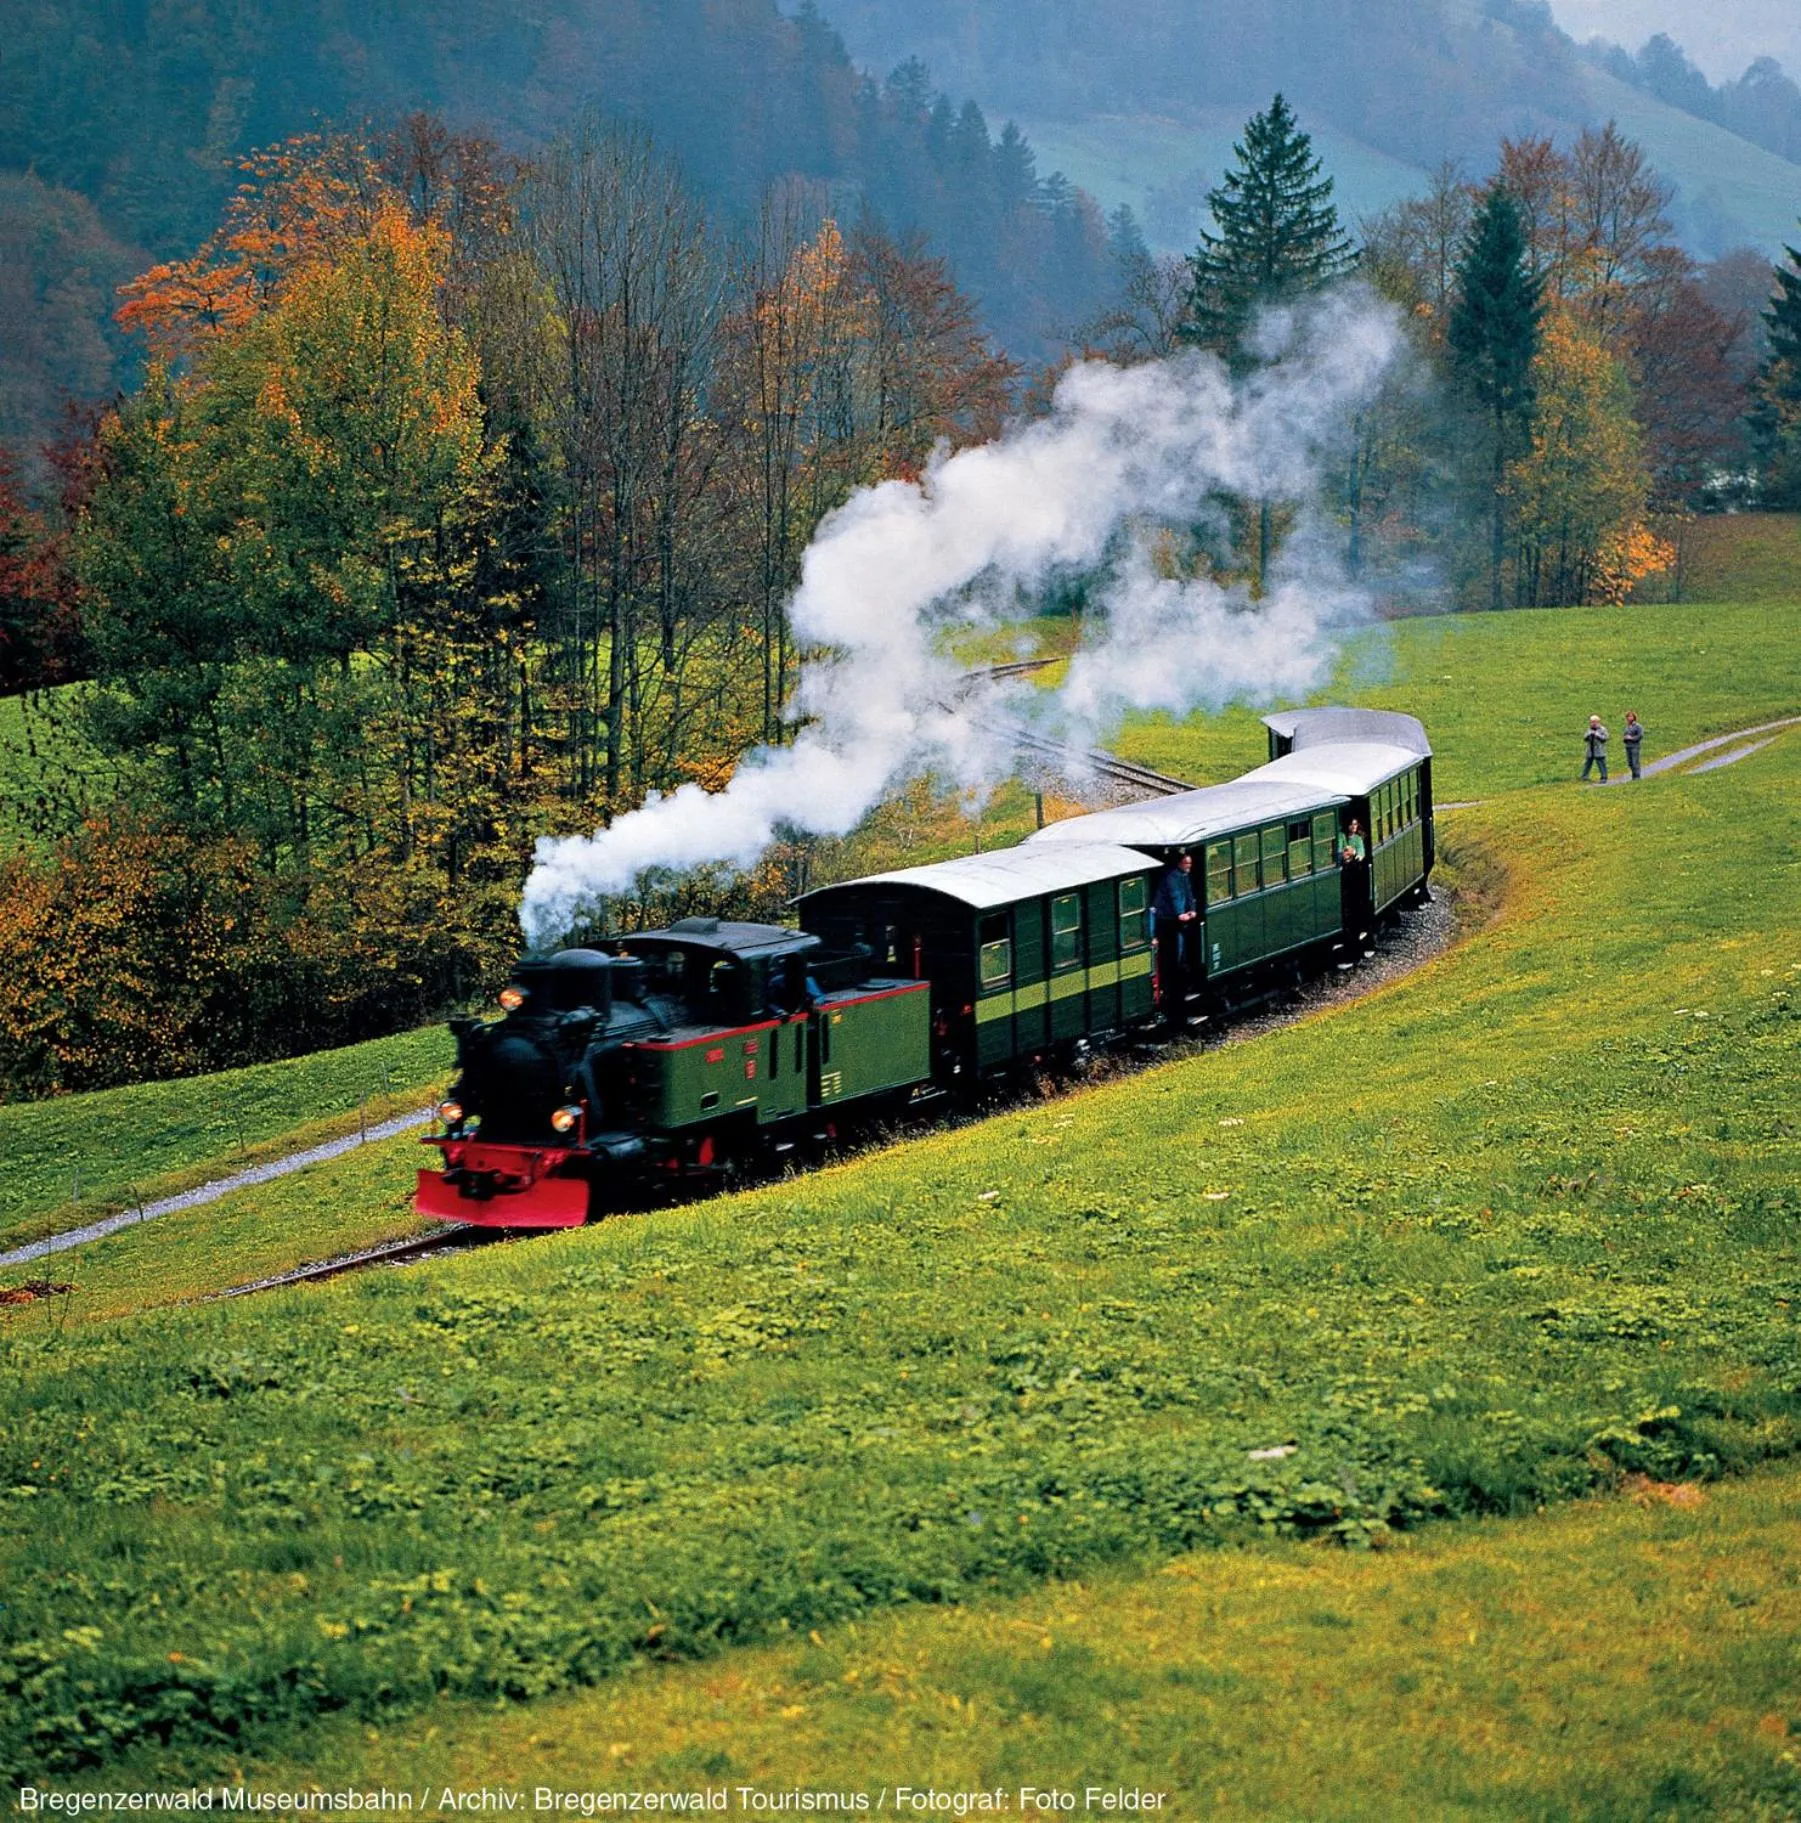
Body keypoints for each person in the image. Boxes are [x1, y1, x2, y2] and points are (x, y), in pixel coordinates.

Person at [1152, 852, 1199, 1019]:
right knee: (1174, 953)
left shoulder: (1183, 876)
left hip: (1175, 919)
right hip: (1168, 919)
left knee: (1181, 949)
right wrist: (1180, 913)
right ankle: (1174, 984)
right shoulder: (1173, 877)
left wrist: (1192, 909)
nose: (1189, 867)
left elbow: (1188, 894)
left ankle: (1181, 980)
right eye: (1187, 864)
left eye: (1190, 864)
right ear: (1180, 863)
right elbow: (1176, 895)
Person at [1338, 817, 1371, 953]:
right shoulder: (1341, 836)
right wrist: (1346, 854)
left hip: (1355, 873)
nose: (1353, 827)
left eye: (1355, 824)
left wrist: (1354, 853)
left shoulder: (1357, 839)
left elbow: (1360, 855)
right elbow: (1341, 852)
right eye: (1351, 824)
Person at [1581, 714, 1609, 782]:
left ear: (1598, 722)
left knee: (1601, 764)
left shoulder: (1602, 729)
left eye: (1594, 722)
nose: (1593, 723)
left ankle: (1604, 777)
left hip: (1599, 750)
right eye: (1592, 722)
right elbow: (1585, 738)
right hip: (1590, 750)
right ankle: (1584, 776)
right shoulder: (1589, 729)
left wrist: (1597, 735)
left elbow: (1605, 738)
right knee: (1587, 764)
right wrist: (1589, 735)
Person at [1623, 710, 1645, 780]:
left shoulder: (1638, 726)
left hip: (1635, 746)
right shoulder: (1627, 727)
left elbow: (1640, 735)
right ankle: (1633, 776)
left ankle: (1637, 777)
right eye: (1628, 716)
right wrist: (1625, 738)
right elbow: (1625, 735)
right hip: (1628, 746)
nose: (1629, 718)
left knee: (1635, 761)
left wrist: (1632, 738)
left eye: (1630, 716)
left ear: (1634, 717)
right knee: (1630, 763)